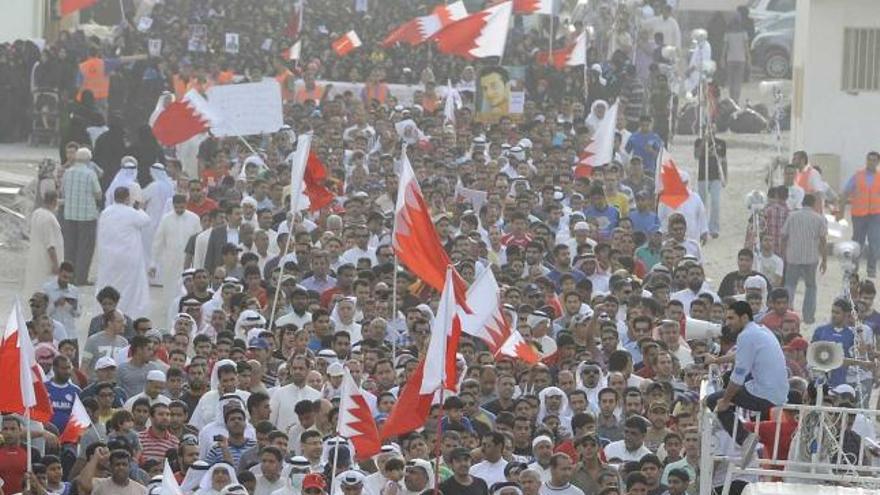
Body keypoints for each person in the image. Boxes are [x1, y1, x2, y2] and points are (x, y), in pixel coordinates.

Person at [705, 302, 788, 460]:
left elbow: (738, 375)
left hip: (764, 396)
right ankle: (746, 440)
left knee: (712, 400)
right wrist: (717, 360)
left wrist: (725, 400)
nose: (727, 322)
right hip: (776, 393)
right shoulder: (761, 330)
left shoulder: (746, 336)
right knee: (727, 386)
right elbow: (741, 356)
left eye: (731, 318)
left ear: (743, 317)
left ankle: (745, 440)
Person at [95, 187, 152, 319]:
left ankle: (109, 311)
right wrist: (139, 208)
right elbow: (146, 220)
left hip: (109, 258)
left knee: (111, 283)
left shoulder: (105, 212)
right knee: (129, 286)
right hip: (128, 258)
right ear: (127, 198)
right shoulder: (132, 212)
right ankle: (128, 314)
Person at [150, 194, 202, 310]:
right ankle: (170, 311)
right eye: (176, 207)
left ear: (186, 205)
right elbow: (158, 242)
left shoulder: (194, 218)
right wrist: (153, 263)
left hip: (189, 261)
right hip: (170, 261)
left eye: (181, 207)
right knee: (170, 289)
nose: (179, 210)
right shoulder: (166, 219)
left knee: (189, 286)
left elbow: (198, 241)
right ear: (173, 205)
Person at [781, 194, 827, 324]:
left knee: (790, 285)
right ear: (813, 204)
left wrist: (783, 253)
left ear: (802, 203)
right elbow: (823, 241)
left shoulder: (792, 216)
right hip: (811, 257)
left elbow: (784, 235)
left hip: (793, 256)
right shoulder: (819, 219)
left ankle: (787, 312)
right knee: (811, 286)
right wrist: (824, 260)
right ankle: (808, 316)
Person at [61, 147, 102, 285]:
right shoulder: (90, 173)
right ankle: (81, 277)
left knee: (70, 247)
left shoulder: (67, 173)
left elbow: (63, 191)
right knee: (85, 248)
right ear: (88, 159)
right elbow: (98, 193)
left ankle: (69, 277)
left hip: (69, 213)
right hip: (87, 216)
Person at [837, 151, 880, 278]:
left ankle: (871, 269)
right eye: (869, 159)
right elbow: (845, 193)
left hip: (875, 215)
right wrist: (841, 211)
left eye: (874, 160)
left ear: (878, 162)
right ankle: (854, 268)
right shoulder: (857, 176)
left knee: (874, 243)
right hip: (859, 215)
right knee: (857, 243)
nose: (871, 162)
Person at [25, 190, 64, 296]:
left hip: (36, 257)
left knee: (36, 285)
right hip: (46, 261)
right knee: (47, 289)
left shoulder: (37, 213)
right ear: (54, 201)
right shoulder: (49, 219)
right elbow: (50, 245)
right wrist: (55, 265)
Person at [693, 133, 727, 238]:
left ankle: (714, 229)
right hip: (703, 177)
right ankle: (701, 228)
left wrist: (725, 176)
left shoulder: (721, 143)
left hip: (716, 176)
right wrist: (704, 141)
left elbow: (724, 160)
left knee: (715, 202)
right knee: (702, 203)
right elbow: (696, 155)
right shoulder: (698, 141)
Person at [77, 447, 147, 495]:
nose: (121, 467)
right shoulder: (99, 484)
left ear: (129, 467)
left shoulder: (141, 491)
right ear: (110, 467)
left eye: (124, 464)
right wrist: (96, 457)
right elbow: (83, 483)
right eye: (117, 464)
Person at [722, 18, 749, 103]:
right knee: (738, 80)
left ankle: (731, 99)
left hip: (730, 59)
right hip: (741, 59)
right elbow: (746, 47)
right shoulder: (744, 33)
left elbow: (725, 47)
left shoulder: (727, 34)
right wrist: (749, 58)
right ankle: (736, 99)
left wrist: (722, 57)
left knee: (731, 80)